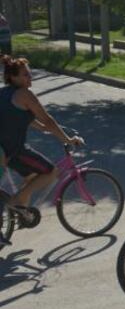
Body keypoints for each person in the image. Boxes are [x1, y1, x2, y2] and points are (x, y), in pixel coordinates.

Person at [0, 55, 84, 217]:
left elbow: (19, 116)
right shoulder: (25, 94)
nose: (30, 77)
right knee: (51, 172)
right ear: (13, 77)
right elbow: (49, 120)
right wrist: (67, 139)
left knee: (31, 176)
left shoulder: (4, 93)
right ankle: (14, 202)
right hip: (14, 150)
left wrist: (42, 128)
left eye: (29, 73)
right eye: (25, 74)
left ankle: (23, 215)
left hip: (3, 150)